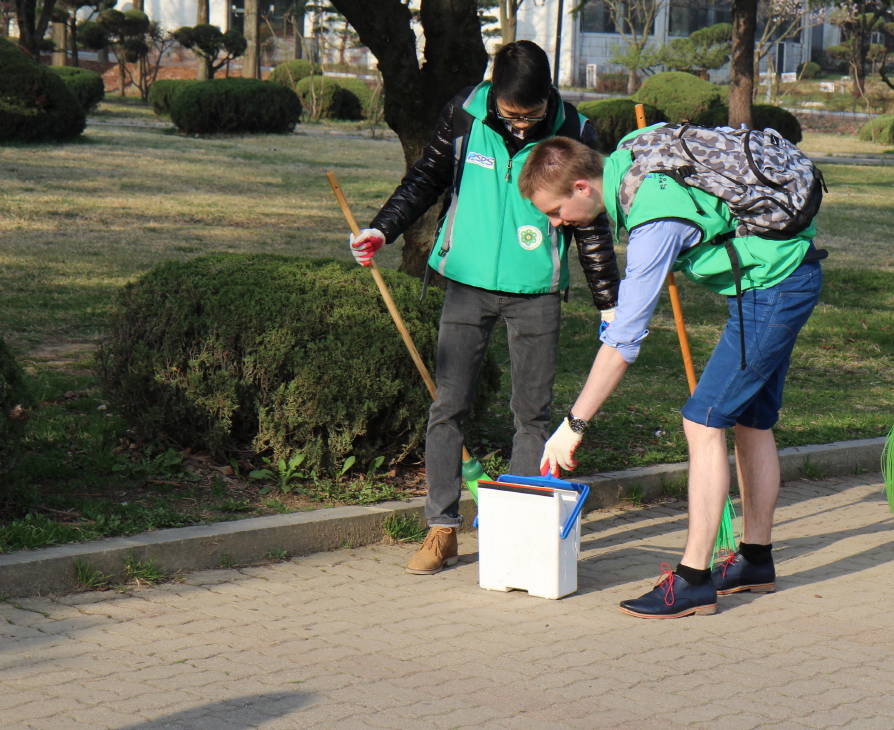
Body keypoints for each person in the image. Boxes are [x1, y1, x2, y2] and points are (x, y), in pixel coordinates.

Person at [517, 129, 824, 619]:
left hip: (773, 290)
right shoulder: (630, 156)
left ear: (582, 187)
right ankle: (755, 561)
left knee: (703, 421)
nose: (555, 224)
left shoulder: (654, 216)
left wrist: (572, 425)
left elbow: (624, 343)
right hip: (780, 276)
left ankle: (693, 580)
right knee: (751, 420)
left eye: (555, 212)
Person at [348, 41, 620, 575]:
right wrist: (383, 228)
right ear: (494, 95)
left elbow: (590, 222)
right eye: (512, 114)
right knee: (448, 405)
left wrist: (608, 303)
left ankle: (514, 534)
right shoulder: (464, 114)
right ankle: (442, 528)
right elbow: (425, 178)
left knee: (531, 415)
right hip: (467, 282)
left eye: (532, 115)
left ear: (549, 98)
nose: (521, 125)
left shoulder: (576, 129)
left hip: (536, 292)